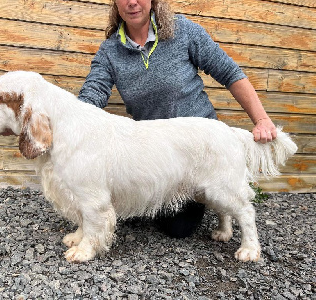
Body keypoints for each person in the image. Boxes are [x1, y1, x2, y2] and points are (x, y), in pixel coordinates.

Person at [78, 0, 277, 238]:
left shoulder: (183, 31)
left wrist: (262, 120)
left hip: (200, 146)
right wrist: (67, 124)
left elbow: (230, 73)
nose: (132, 2)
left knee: (178, 230)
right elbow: (93, 94)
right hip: (155, 153)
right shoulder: (109, 51)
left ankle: (217, 199)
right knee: (135, 212)